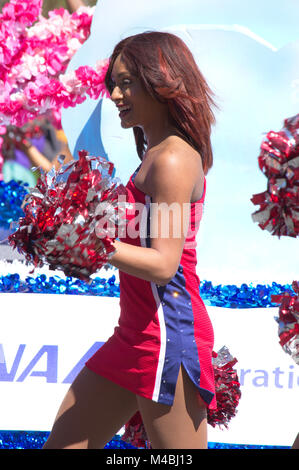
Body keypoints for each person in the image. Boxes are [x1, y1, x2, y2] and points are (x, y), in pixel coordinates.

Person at [43, 31, 217, 450]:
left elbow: (163, 265)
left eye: (127, 83)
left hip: (166, 336)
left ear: (162, 82)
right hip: (133, 335)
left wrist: (88, 240)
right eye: (112, 84)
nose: (116, 95)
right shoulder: (154, 154)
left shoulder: (173, 158)